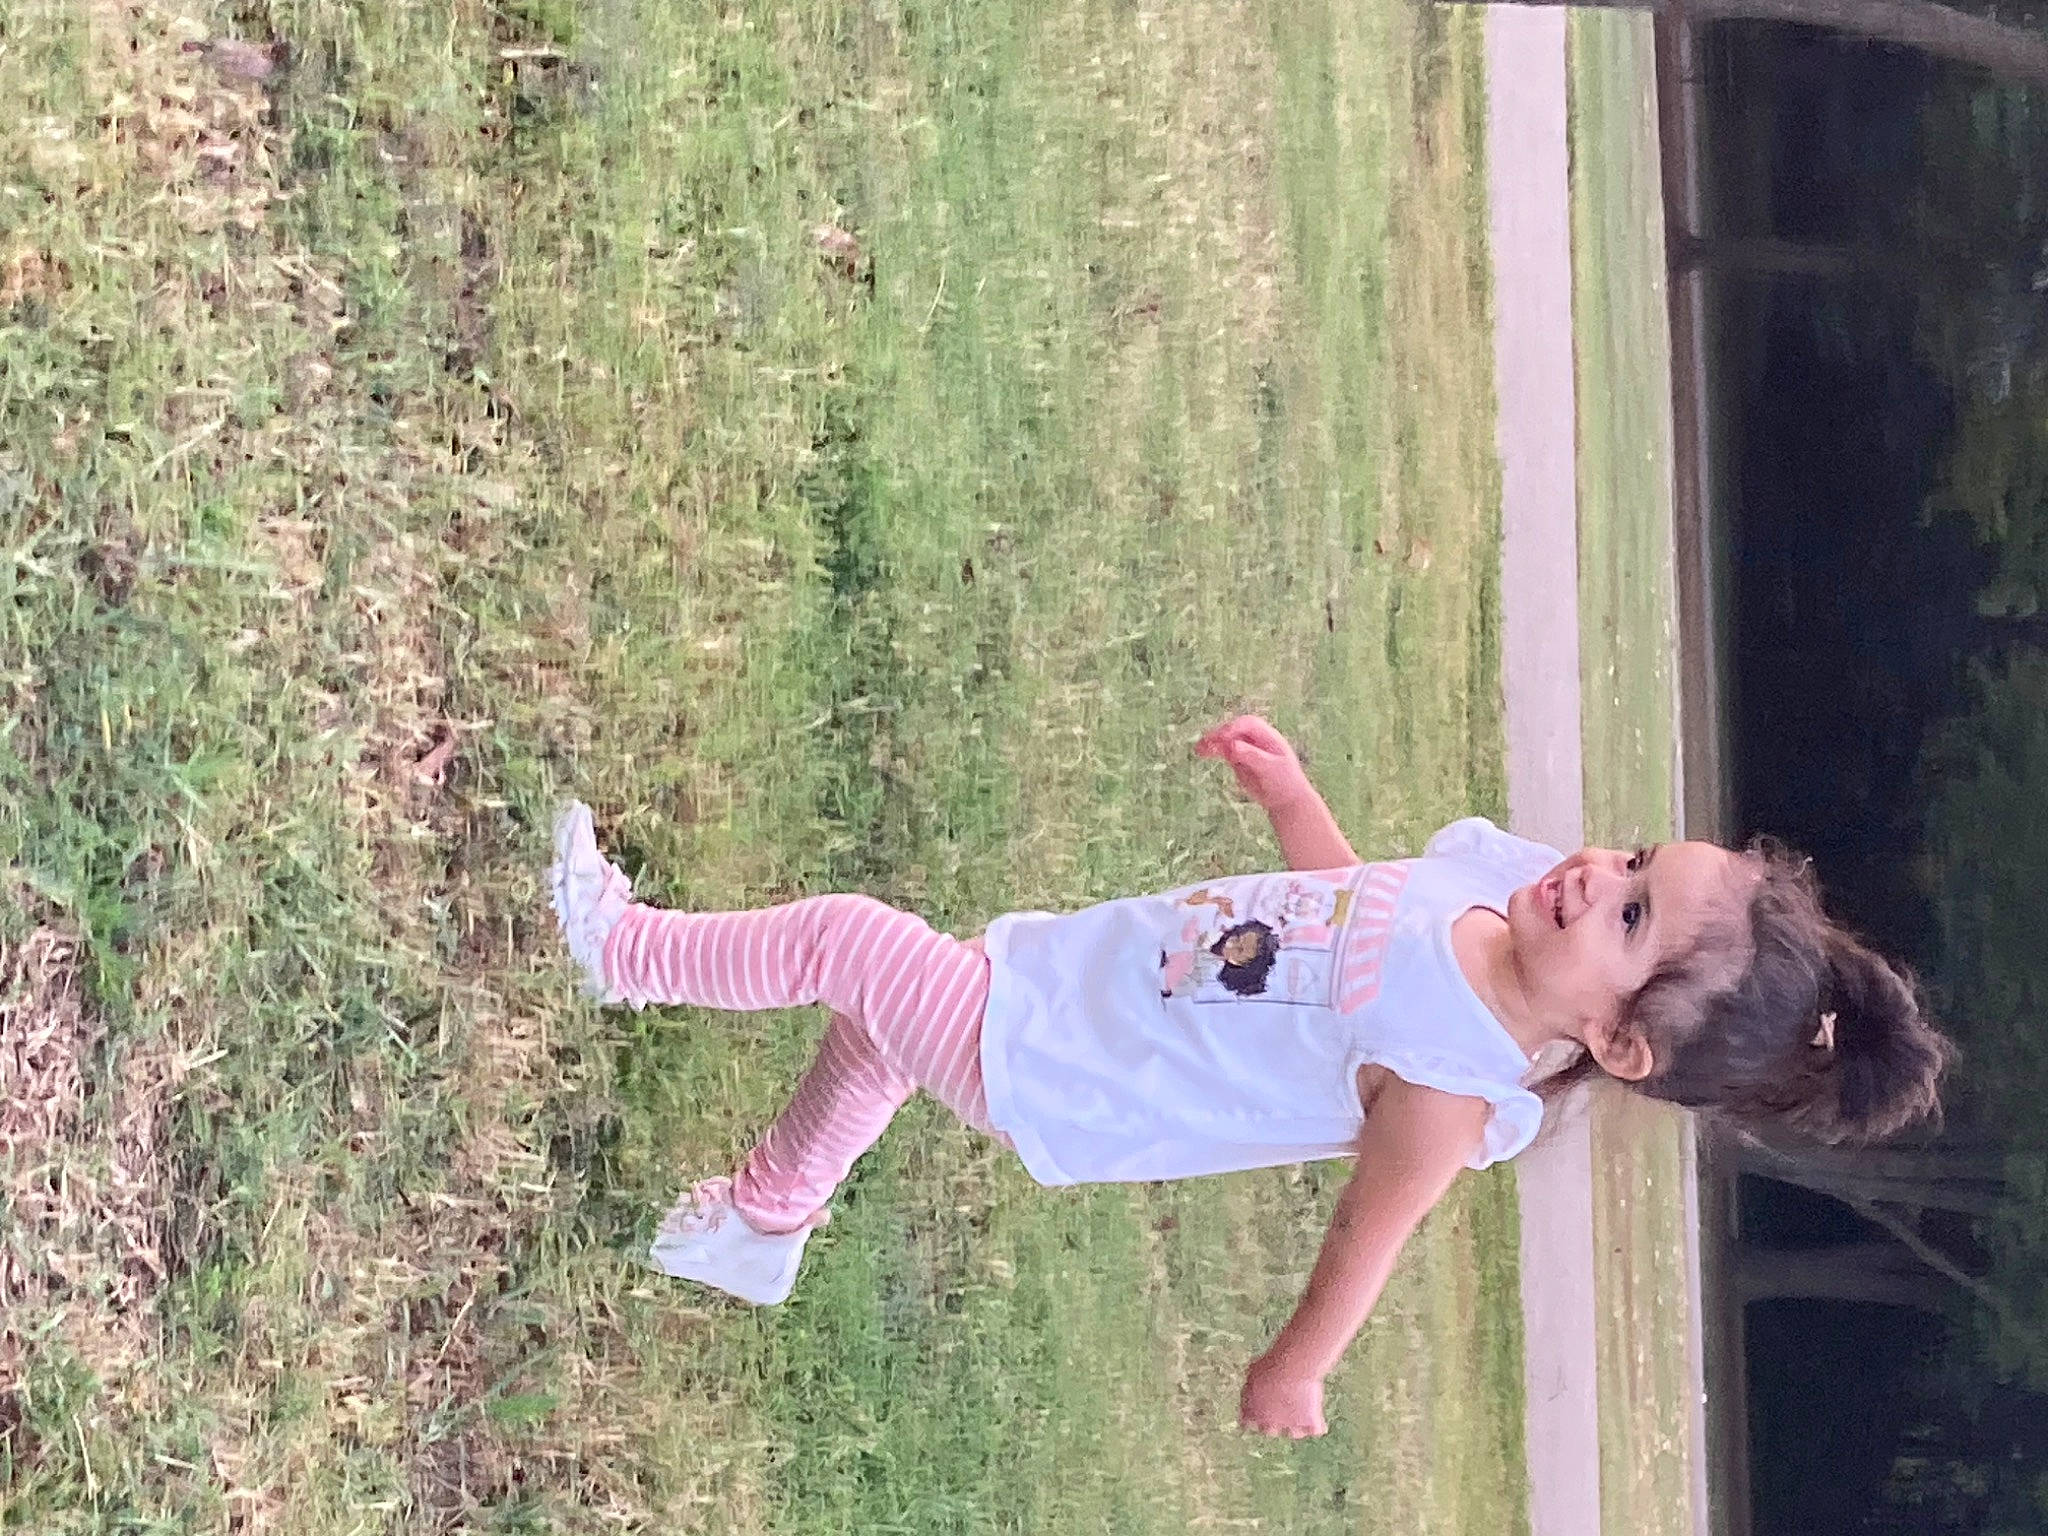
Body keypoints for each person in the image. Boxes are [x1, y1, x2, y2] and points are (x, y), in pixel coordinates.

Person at [547, 715, 1952, 1438]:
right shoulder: (1491, 890)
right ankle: (766, 1221)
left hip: (1083, 1071)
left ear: (1621, 1046)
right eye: (1639, 859)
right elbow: (1358, 915)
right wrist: (1291, 797)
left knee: (856, 949)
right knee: (872, 1033)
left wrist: (1297, 1367)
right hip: (1101, 981)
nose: (1600, 876)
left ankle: (628, 951)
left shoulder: (1455, 1090)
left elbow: (1370, 1239)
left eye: (1631, 919)